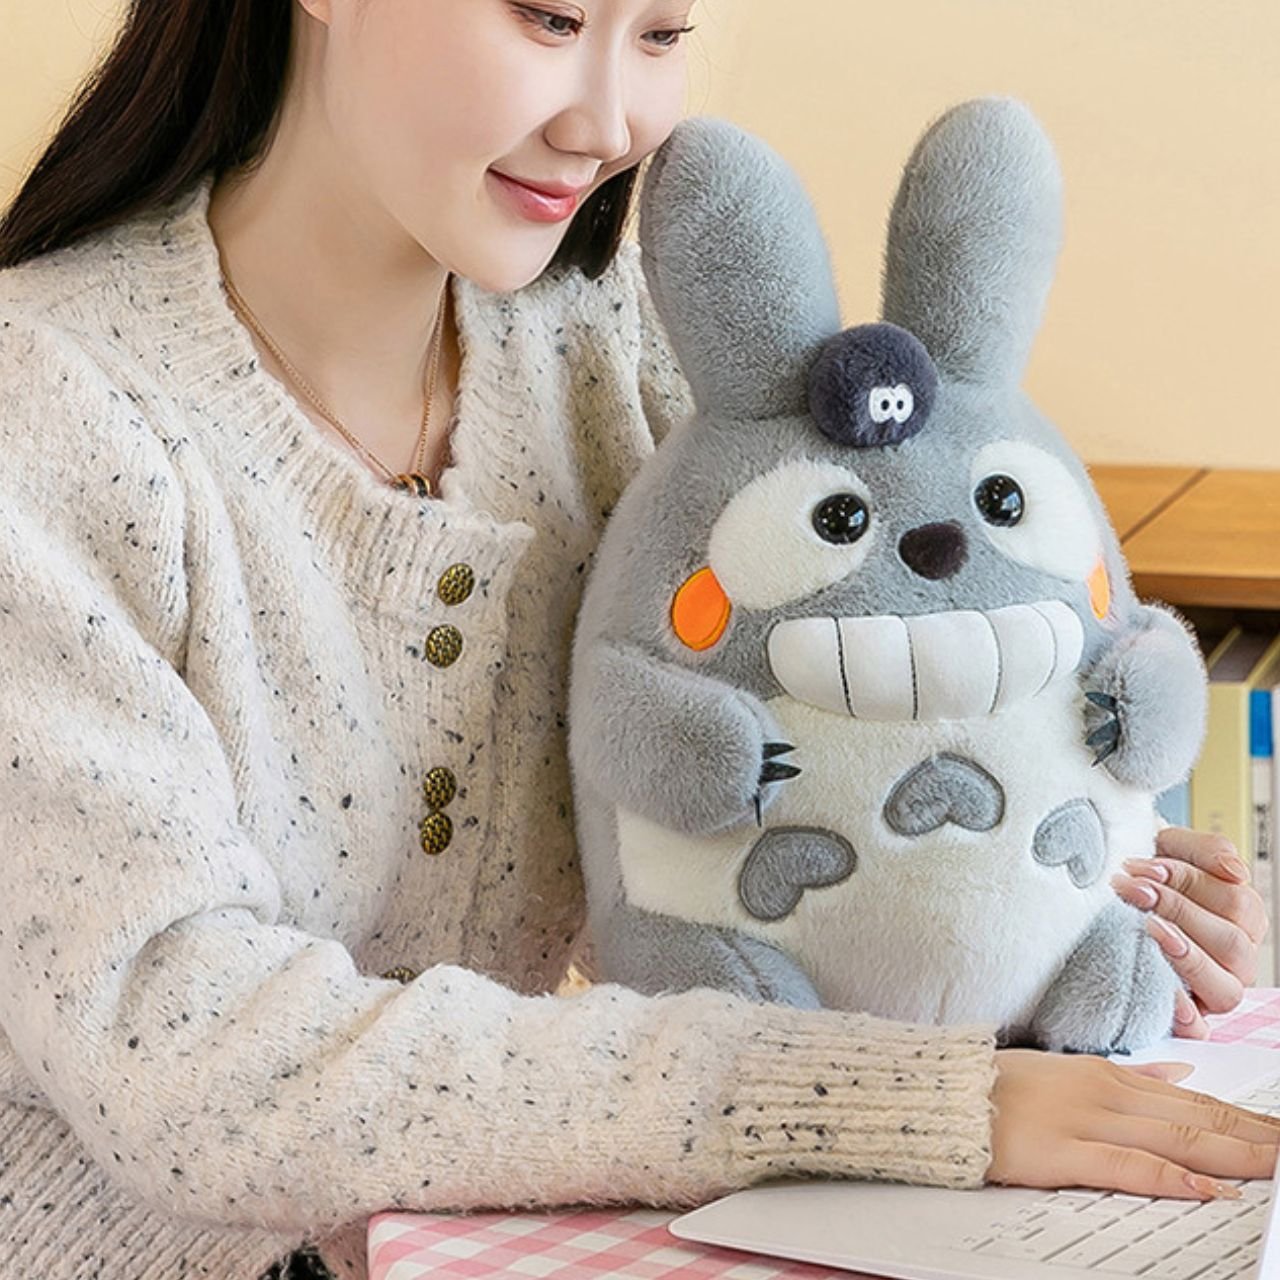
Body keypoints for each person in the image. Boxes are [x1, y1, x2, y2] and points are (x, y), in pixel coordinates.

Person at [0, 2, 1271, 1278]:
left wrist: (1076, 914)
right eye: (548, 17)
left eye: (659, 34)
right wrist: (899, 1100)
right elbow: (187, 1057)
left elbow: (746, 835)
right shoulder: (49, 410)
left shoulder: (601, 343)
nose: (605, 126)